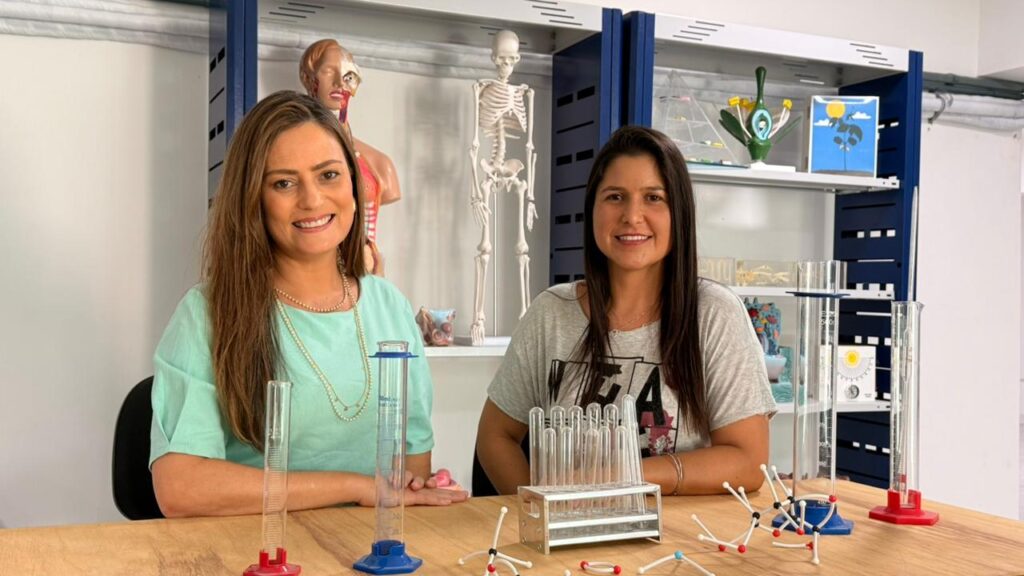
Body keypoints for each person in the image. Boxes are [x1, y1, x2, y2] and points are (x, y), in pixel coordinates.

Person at [150, 91, 466, 517]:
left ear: (353, 184)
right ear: (253, 199)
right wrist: (356, 487)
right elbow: (181, 488)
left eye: (329, 175)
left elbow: (408, 481)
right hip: (256, 548)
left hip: (364, 548)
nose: (312, 200)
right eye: (284, 183)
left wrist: (415, 491)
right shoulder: (206, 314)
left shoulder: (391, 307)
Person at [476, 126, 776, 496]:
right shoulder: (550, 313)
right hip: (569, 531)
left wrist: (624, 475)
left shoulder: (715, 314)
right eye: (615, 197)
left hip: (677, 531)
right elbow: (496, 436)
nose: (632, 216)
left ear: (679, 213)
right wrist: (539, 509)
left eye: (654, 197)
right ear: (592, 210)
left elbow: (748, 462)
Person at [299, 39, 400, 275]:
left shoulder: (379, 164)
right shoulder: (292, 159)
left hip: (367, 278)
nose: (339, 82)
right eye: (328, 71)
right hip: (313, 278)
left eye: (347, 74)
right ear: (309, 78)